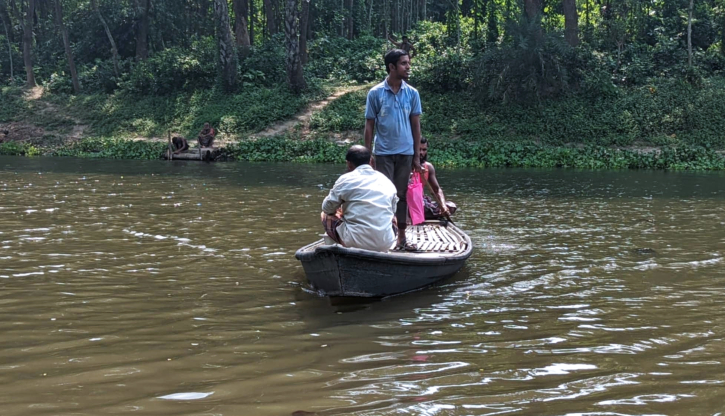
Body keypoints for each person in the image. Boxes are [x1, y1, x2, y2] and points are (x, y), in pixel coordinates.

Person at [364, 49, 422, 251]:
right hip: (383, 153)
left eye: (408, 63)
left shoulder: (412, 93)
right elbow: (369, 125)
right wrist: (367, 154)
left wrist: (416, 156)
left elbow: (416, 126)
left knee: (401, 195)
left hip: (405, 153)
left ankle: (402, 239)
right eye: (404, 63)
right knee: (383, 196)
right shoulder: (376, 93)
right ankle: (384, 237)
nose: (408, 67)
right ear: (392, 67)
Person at [321, 145, 398, 252]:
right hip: (386, 242)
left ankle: (336, 254)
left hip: (354, 242)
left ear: (348, 163)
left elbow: (327, 208)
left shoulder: (345, 180)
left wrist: (339, 210)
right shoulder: (386, 180)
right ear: (371, 160)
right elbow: (393, 211)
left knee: (325, 215)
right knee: (392, 218)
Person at [417, 137, 457, 220]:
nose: (421, 152)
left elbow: (437, 189)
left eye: (424, 150)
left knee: (451, 206)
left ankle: (425, 214)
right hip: (408, 204)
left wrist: (443, 205)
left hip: (422, 203)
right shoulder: (405, 166)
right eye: (419, 149)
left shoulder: (428, 167)